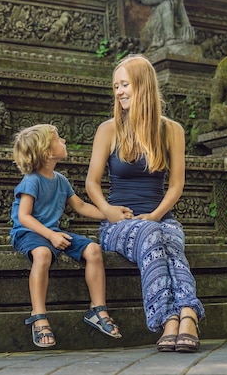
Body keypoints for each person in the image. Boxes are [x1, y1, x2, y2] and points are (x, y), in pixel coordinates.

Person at [85, 54, 204, 353]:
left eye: (125, 84)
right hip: (118, 225)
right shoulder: (108, 129)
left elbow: (176, 185)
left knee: (166, 235)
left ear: (143, 86)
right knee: (154, 235)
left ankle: (185, 315)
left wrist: (154, 215)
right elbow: (91, 183)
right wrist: (109, 212)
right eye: (116, 86)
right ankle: (171, 317)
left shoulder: (171, 130)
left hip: (161, 219)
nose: (120, 91)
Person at [10, 124, 121, 348]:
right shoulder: (32, 180)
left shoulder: (60, 179)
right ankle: (39, 316)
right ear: (47, 152)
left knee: (93, 250)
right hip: (29, 232)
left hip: (53, 232)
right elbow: (24, 217)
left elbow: (80, 206)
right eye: (58, 139)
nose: (64, 142)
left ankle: (97, 310)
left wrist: (112, 214)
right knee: (42, 255)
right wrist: (50, 235)